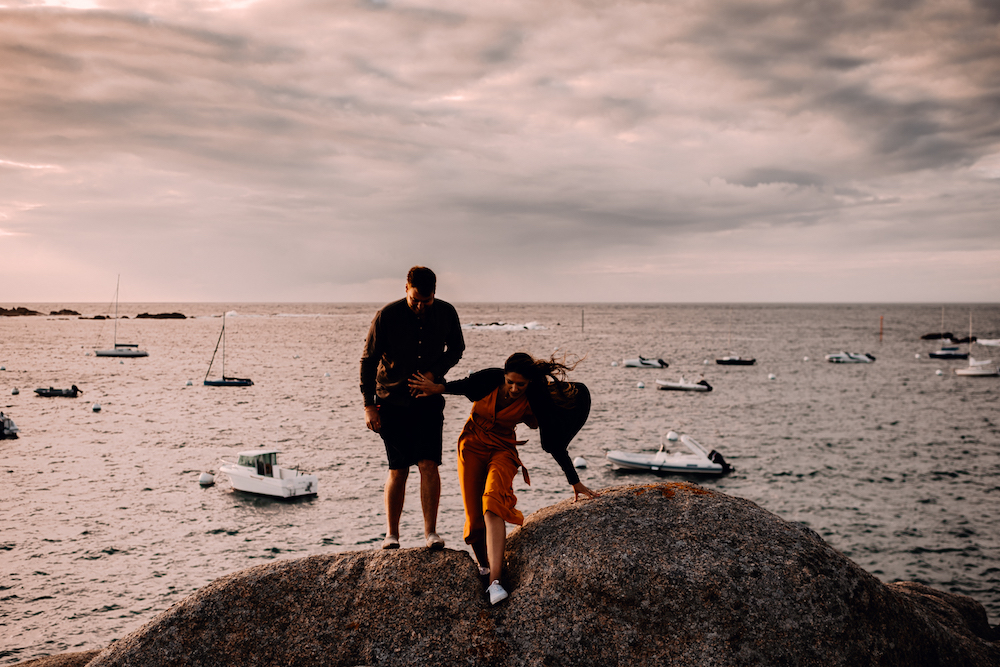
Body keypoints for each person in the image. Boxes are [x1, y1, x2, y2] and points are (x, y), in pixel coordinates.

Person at [409, 352, 600, 605]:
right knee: (475, 523)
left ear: (529, 382)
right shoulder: (489, 379)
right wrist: (435, 388)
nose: (514, 388)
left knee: (493, 501)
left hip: (503, 449)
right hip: (472, 444)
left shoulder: (535, 396)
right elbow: (463, 385)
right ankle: (485, 567)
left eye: (520, 384)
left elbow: (554, 444)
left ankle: (495, 583)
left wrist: (574, 480)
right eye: (510, 382)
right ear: (504, 376)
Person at [360, 266, 465, 550]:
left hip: (428, 400)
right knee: (398, 468)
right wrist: (369, 406)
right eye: (415, 299)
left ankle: (431, 533)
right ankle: (391, 534)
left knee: (429, 465)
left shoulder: (446, 312)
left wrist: (433, 374)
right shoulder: (386, 316)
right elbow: (368, 361)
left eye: (426, 300)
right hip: (390, 401)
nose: (420, 306)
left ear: (434, 293)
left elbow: (456, 349)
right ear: (406, 289)